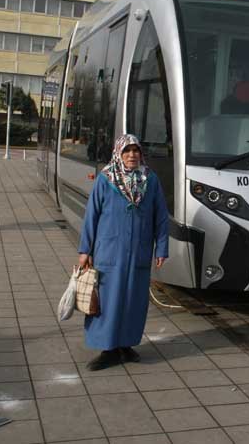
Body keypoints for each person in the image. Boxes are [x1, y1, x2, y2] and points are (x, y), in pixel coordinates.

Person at [77, 134, 169, 370]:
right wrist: (85, 249)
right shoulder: (106, 179)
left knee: (134, 300)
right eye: (127, 151)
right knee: (109, 301)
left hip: (139, 252)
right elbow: (92, 215)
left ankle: (126, 345)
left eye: (135, 150)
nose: (131, 155)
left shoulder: (150, 180)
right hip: (110, 252)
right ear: (118, 153)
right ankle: (108, 348)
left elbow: (160, 216)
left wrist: (162, 247)